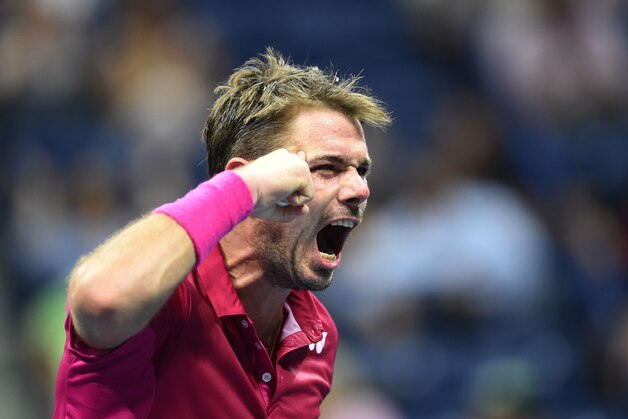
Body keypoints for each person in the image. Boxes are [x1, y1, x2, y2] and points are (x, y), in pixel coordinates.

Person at [52, 48, 391, 418]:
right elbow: (102, 298)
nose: (361, 189)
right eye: (328, 167)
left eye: (361, 170)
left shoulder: (314, 333)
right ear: (256, 182)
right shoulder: (168, 294)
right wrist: (244, 189)